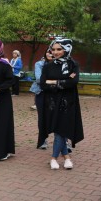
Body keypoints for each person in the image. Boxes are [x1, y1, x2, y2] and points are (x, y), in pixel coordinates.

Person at [39, 38, 84, 170]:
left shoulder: (73, 65)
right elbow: (42, 84)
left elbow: (73, 82)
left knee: (60, 129)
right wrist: (62, 81)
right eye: (53, 49)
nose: (55, 52)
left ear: (66, 49)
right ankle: (66, 157)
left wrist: (52, 82)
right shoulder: (48, 66)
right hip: (51, 102)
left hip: (67, 102)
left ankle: (53, 158)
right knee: (59, 129)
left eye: (59, 49)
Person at [30, 48, 54, 149]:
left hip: (56, 93)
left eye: (54, 51)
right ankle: (42, 140)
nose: (51, 53)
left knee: (59, 118)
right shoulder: (39, 64)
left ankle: (64, 142)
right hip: (42, 93)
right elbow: (40, 79)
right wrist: (56, 81)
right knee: (42, 117)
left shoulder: (61, 64)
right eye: (49, 51)